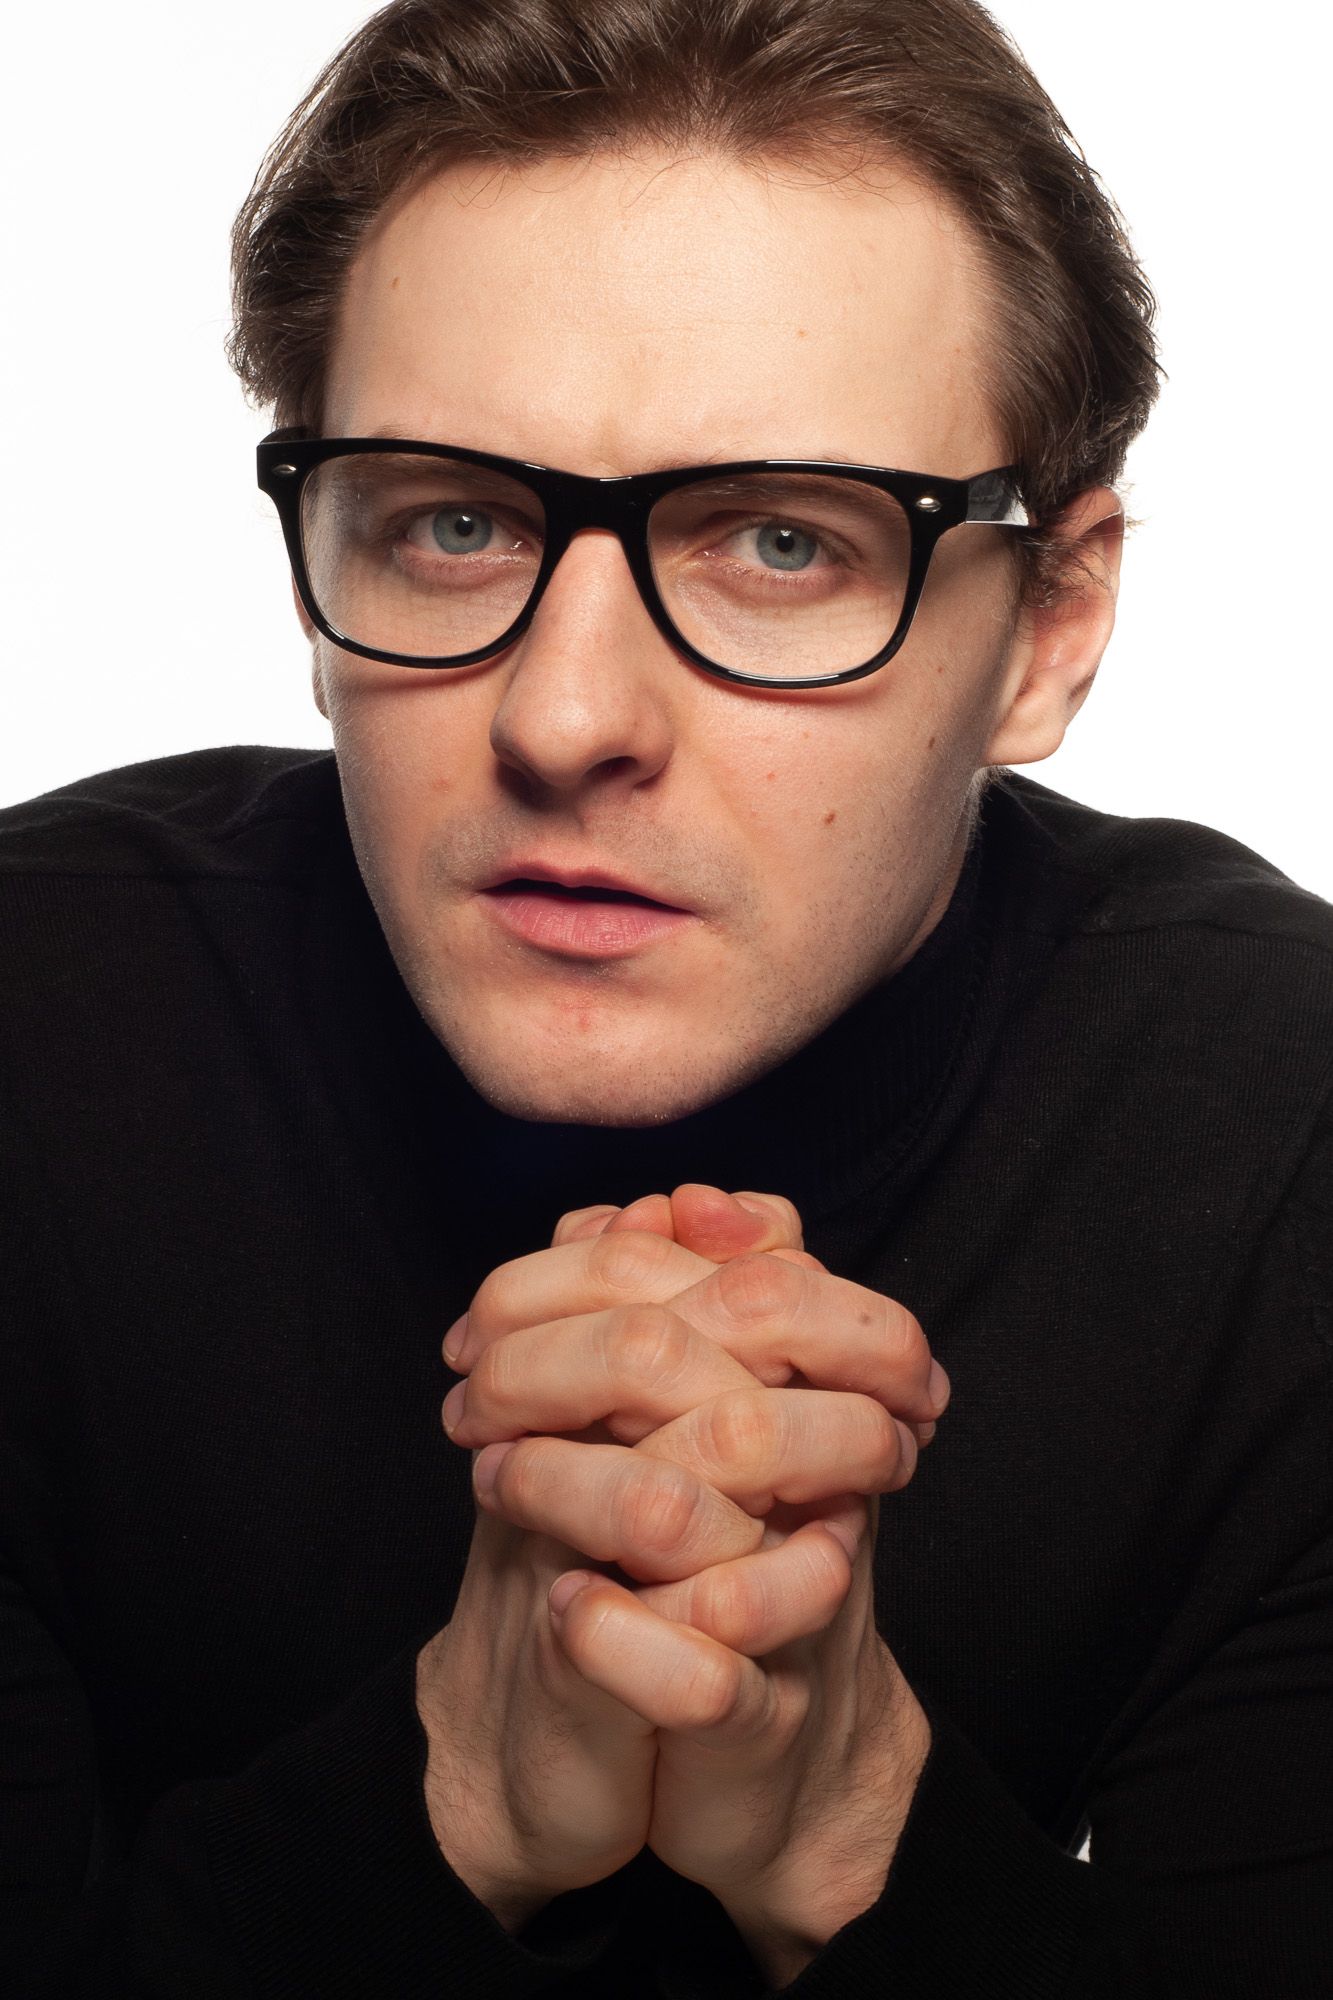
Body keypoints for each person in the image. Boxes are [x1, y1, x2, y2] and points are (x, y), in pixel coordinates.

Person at [1, 0, 1329, 1993]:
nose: (564, 718)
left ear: (1050, 631)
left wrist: (852, 1823)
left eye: (780, 542)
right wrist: (449, 1791)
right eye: (454, 522)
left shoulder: (1287, 1145)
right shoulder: (35, 1032)